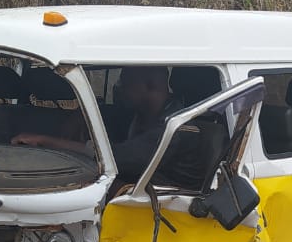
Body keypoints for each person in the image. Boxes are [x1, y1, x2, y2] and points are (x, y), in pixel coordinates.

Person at [11, 66, 185, 180]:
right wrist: (80, 115)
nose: (118, 88)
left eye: (124, 83)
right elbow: (108, 114)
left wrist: (44, 141)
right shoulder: (139, 113)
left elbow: (115, 157)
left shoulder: (177, 127)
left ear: (151, 85)